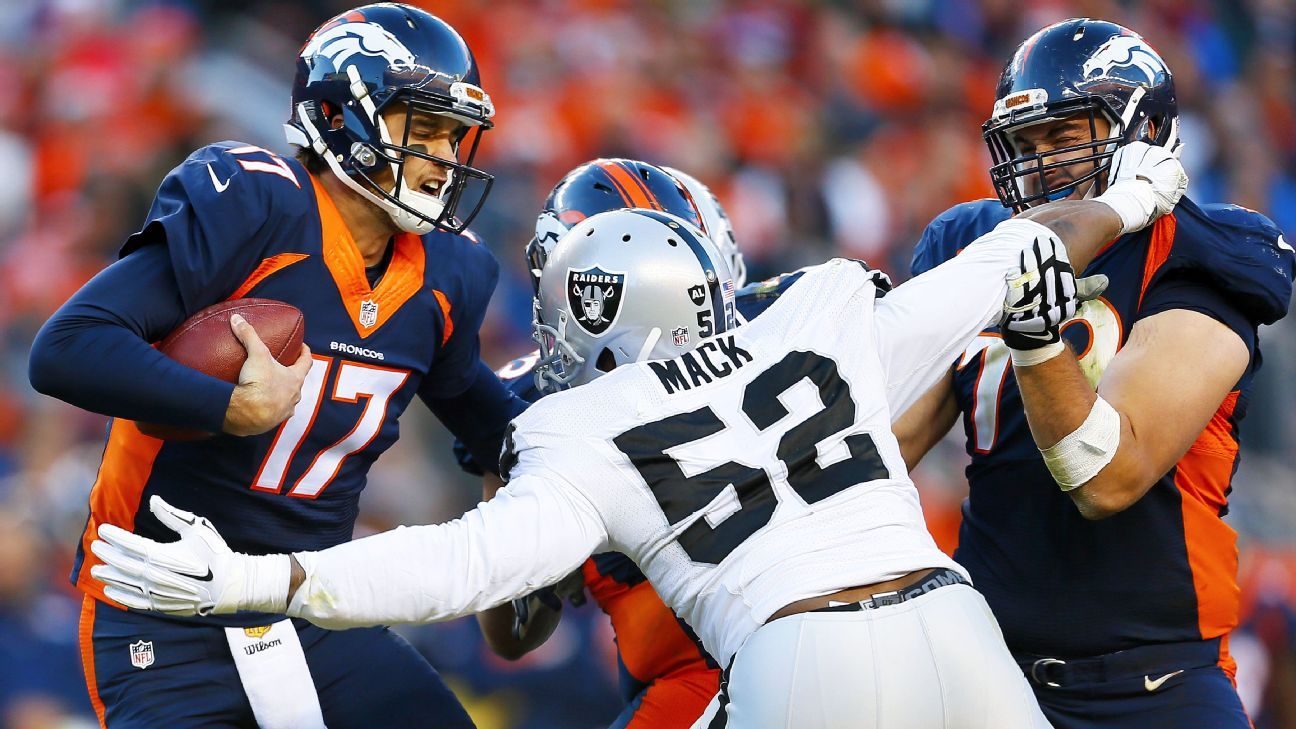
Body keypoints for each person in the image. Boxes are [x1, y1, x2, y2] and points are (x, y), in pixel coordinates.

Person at [87, 137, 1187, 727]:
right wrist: (1138, 196)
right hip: (955, 629)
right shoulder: (825, 309)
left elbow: (466, 574)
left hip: (789, 655)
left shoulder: (571, 425)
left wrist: (268, 585)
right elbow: (1009, 256)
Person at [27, 4, 523, 728]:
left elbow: (479, 412)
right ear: (344, 116)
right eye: (426, 130)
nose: (446, 158)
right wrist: (229, 407)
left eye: (455, 135)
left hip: (307, 602)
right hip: (165, 612)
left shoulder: (446, 275)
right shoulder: (258, 205)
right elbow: (67, 346)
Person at [902, 18, 1296, 729]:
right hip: (986, 673)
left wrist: (1034, 340)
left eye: (1064, 136)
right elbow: (890, 447)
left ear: (1146, 133)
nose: (1042, 165)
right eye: (1024, 145)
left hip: (1154, 685)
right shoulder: (969, 243)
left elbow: (1107, 476)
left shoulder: (1203, 253)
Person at [462, 160, 749, 728]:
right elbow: (513, 634)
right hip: (799, 633)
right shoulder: (791, 321)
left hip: (698, 668)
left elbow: (514, 633)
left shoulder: (527, 404)